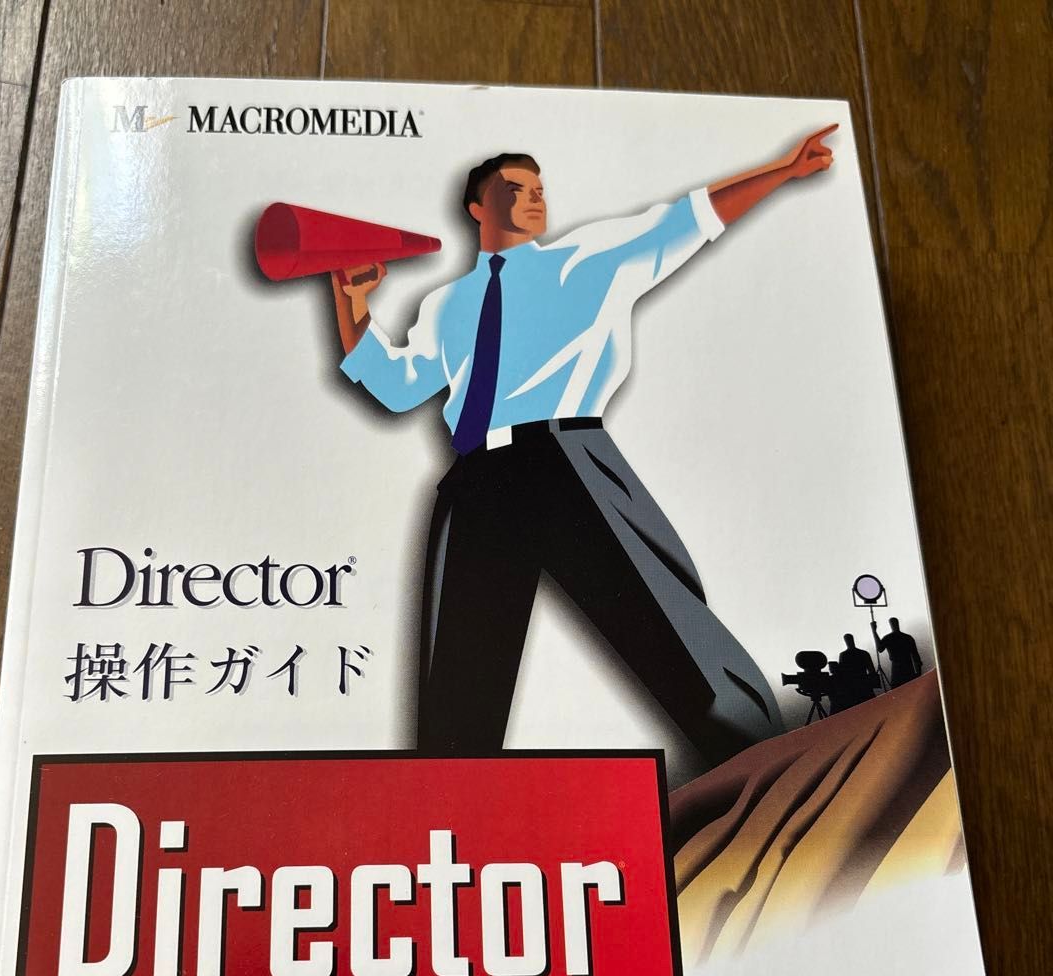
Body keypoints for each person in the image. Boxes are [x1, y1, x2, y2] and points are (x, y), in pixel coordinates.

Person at [329, 127, 837, 766]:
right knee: (457, 679)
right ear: (478, 207)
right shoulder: (445, 304)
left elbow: (689, 220)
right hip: (475, 481)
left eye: (539, 188)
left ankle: (770, 763)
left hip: (565, 460)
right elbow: (398, 387)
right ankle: (453, 804)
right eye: (516, 188)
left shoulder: (589, 257)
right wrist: (351, 305)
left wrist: (782, 170)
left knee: (669, 627)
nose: (534, 198)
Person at [871, 617, 924, 687]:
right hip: (908, 670)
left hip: (897, 671)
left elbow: (880, 649)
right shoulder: (908, 638)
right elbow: (916, 657)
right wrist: (918, 673)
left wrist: (874, 631)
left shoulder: (888, 638)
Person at [834, 632, 879, 708]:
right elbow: (872, 671)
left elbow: (842, 673)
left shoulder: (844, 655)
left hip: (852, 687)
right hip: (865, 685)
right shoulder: (864, 653)